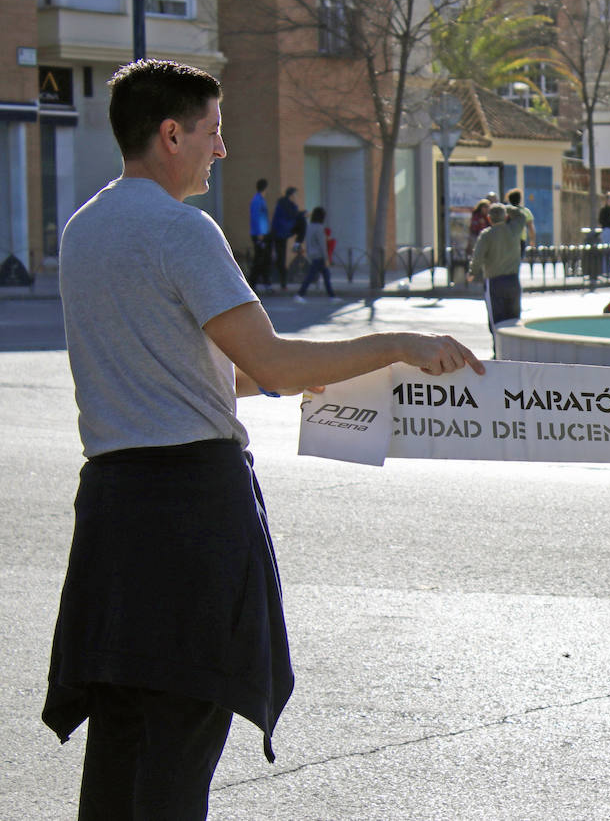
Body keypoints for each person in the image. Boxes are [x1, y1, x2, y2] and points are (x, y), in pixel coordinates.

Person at [43, 59, 484, 820]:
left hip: (111, 508)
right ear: (171, 133)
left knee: (121, 737)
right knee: (186, 724)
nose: (220, 151)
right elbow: (271, 358)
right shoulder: (182, 228)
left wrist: (315, 375)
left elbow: (209, 373)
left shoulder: (84, 230)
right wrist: (397, 344)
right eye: (213, 134)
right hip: (189, 506)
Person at [467, 203, 524, 337]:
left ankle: (498, 350)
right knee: (513, 320)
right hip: (513, 280)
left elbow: (478, 257)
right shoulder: (514, 229)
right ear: (505, 217)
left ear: (489, 218)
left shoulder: (486, 235)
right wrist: (506, 206)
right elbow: (521, 215)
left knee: (497, 322)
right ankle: (513, 351)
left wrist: (472, 272)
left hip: (494, 282)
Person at [294, 207, 337, 301]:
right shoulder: (319, 228)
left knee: (325, 276)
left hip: (312, 254)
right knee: (312, 277)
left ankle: (332, 296)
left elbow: (308, 242)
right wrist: (326, 258)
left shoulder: (309, 226)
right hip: (319, 256)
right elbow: (322, 245)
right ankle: (300, 294)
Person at [269, 186, 301, 290]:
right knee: (280, 258)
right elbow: (288, 219)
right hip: (280, 234)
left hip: (279, 234)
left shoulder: (282, 204)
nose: (296, 197)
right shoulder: (286, 206)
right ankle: (282, 281)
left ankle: (281, 281)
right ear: (291, 195)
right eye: (295, 195)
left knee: (280, 258)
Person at [247, 177, 272, 292]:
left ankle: (263, 282)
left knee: (263, 258)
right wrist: (260, 233)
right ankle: (253, 283)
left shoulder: (260, 199)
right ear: (265, 188)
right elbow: (256, 218)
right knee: (259, 259)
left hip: (262, 233)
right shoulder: (257, 200)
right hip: (259, 234)